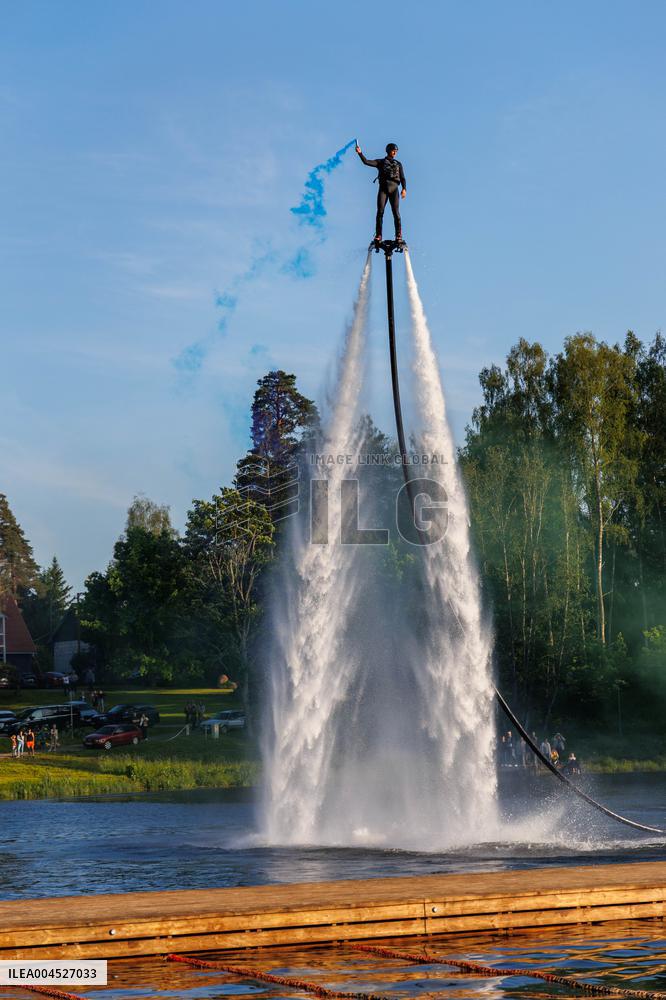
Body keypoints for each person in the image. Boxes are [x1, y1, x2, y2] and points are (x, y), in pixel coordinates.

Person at [356, 141, 407, 243]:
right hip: (383, 189)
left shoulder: (399, 164)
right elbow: (366, 162)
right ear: (388, 151)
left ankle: (398, 235)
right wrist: (360, 153)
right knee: (380, 212)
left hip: (394, 189)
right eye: (393, 151)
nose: (395, 152)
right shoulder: (380, 162)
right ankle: (378, 235)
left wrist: (404, 189)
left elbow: (402, 178)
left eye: (396, 151)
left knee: (396, 213)